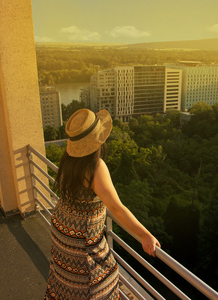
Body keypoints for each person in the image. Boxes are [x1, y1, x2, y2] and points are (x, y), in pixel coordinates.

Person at [44, 109, 160, 300]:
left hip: (61, 229)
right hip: (81, 237)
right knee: (104, 279)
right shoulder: (95, 167)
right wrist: (144, 234)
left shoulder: (68, 159)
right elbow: (116, 208)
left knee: (65, 279)